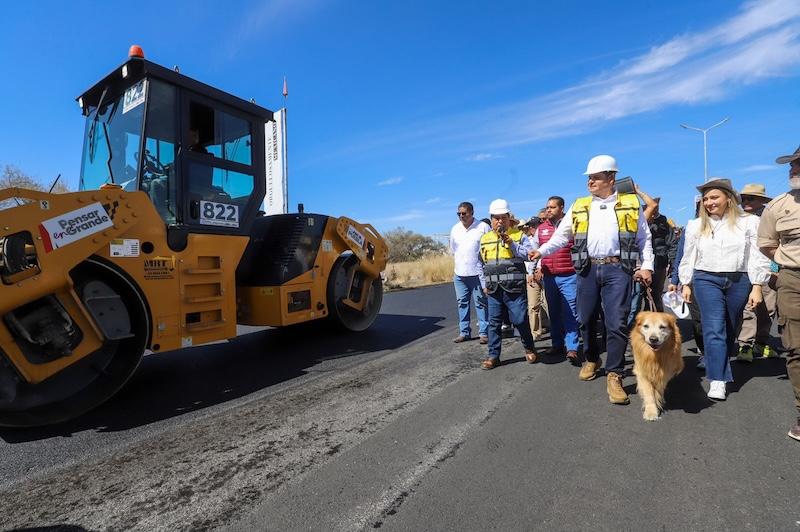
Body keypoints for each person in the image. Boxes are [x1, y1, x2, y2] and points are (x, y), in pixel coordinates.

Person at [529, 155, 654, 405]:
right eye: (589, 178)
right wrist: (541, 251)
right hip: (586, 270)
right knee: (585, 319)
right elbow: (561, 236)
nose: (590, 182)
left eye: (595, 177)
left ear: (611, 177)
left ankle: (615, 374)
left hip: (618, 270)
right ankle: (592, 358)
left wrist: (647, 266)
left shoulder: (630, 203)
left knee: (616, 322)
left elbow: (644, 239)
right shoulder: (580, 206)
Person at [677, 178, 770, 401]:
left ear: (729, 199)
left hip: (740, 279)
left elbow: (756, 254)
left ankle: (717, 358)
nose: (709, 202)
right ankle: (717, 379)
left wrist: (757, 286)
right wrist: (686, 283)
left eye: (714, 197)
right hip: (706, 278)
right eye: (706, 199)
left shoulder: (749, 222)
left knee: (730, 326)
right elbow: (688, 255)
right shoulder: (695, 225)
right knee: (713, 326)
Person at [757, 145, 800, 441]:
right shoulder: (777, 206)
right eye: (792, 165)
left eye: (799, 164)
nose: (793, 169)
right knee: (796, 347)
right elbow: (768, 245)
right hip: (793, 280)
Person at [478, 199, 538, 370]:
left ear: (508, 218)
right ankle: (493, 356)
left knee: (519, 319)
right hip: (493, 288)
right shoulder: (485, 239)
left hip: (514, 287)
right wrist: (483, 283)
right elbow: (479, 262)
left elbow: (529, 255)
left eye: (503, 218)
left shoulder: (519, 236)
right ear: (491, 219)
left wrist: (511, 243)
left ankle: (529, 347)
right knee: (494, 322)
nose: (499, 221)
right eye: (496, 218)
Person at [532, 196, 581, 364]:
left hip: (569, 275)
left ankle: (572, 347)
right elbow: (538, 250)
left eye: (552, 207)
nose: (548, 210)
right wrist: (538, 267)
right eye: (547, 207)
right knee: (554, 312)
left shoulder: (571, 226)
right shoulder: (541, 229)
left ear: (562, 208)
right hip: (549, 277)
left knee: (570, 312)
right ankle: (557, 344)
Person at [736, 183, 777, 362]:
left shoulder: (772, 217)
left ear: (761, 200)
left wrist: (777, 268)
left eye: (750, 198)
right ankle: (745, 345)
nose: (745, 201)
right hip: (744, 270)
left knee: (768, 309)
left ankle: (761, 343)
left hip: (770, 268)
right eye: (743, 199)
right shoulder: (736, 219)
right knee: (748, 308)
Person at [668, 196, 705, 368]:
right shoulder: (691, 228)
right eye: (702, 205)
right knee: (698, 319)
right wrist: (675, 280)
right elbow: (681, 256)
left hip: (725, 280)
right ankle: (705, 352)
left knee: (722, 319)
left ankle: (720, 352)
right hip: (694, 279)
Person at [450, 202, 490, 344]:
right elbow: (453, 250)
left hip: (477, 274)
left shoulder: (483, 227)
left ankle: (484, 333)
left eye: (464, 213)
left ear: (472, 212)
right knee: (462, 303)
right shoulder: (455, 229)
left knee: (481, 303)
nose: (461, 216)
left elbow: (489, 249)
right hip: (460, 274)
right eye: (459, 213)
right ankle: (464, 332)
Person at [522, 214, 549, 340]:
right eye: (531, 226)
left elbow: (544, 255)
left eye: (534, 225)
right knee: (533, 305)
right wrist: (530, 273)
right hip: (531, 275)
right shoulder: (527, 240)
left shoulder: (545, 237)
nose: (532, 228)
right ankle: (535, 333)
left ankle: (557, 330)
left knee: (547, 304)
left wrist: (539, 269)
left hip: (544, 272)